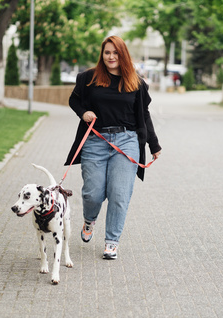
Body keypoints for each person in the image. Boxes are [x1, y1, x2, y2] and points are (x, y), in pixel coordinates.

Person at [66, 36, 162, 260]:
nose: (111, 57)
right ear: (102, 54)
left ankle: (111, 242)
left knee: (119, 194)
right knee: (93, 193)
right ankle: (89, 220)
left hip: (127, 141)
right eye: (107, 52)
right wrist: (83, 113)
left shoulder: (135, 82)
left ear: (123, 55)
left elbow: (143, 115)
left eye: (116, 53)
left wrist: (154, 144)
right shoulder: (88, 78)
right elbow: (74, 100)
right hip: (95, 141)